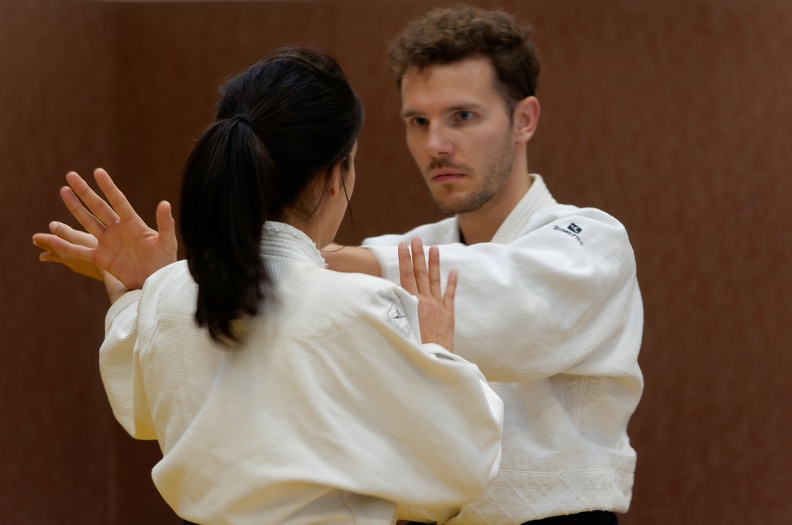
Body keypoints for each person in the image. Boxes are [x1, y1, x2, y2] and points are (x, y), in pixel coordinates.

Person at [35, 5, 644, 525]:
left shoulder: (590, 242)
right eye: (418, 122)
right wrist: (168, 287)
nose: (436, 145)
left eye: (462, 116)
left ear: (524, 119)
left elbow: (513, 307)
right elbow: (262, 332)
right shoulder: (365, 271)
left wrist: (176, 289)